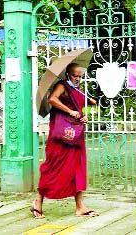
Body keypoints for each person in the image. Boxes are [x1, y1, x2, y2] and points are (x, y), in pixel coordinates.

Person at [31, 63, 98, 218]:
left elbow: (78, 110)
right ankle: (38, 201)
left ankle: (80, 206)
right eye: (75, 76)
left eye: (80, 76)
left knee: (77, 168)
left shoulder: (76, 89)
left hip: (76, 134)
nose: (78, 79)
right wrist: (70, 111)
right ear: (68, 74)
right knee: (53, 166)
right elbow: (52, 99)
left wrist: (83, 116)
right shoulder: (62, 86)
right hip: (61, 134)